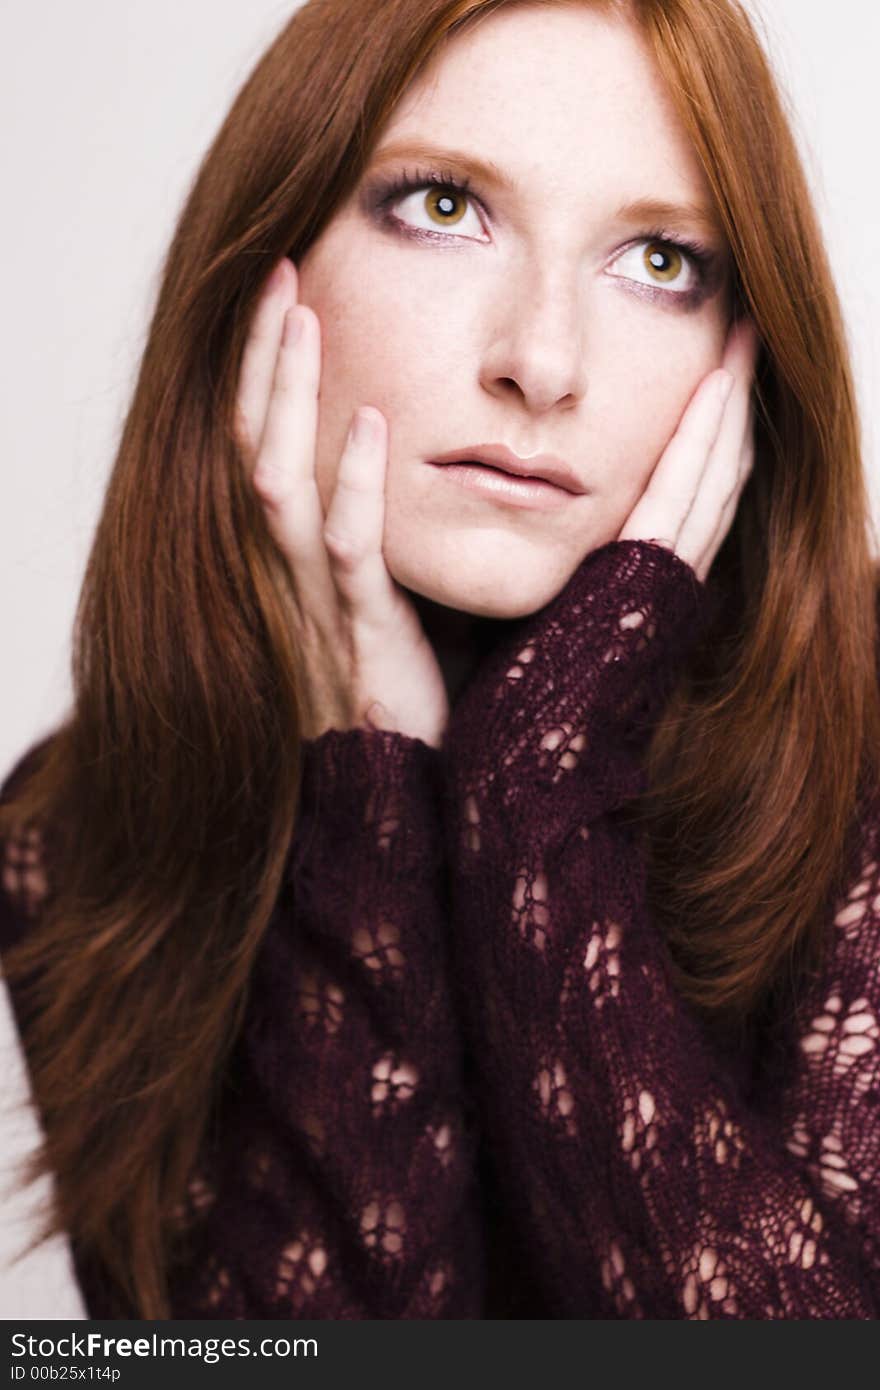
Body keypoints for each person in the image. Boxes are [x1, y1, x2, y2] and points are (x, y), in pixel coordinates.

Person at [1, 0, 879, 1320]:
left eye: (657, 258)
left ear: (743, 346)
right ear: (269, 252)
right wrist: (370, 812)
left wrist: (532, 795)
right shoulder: (76, 832)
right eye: (445, 207)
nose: (541, 360)